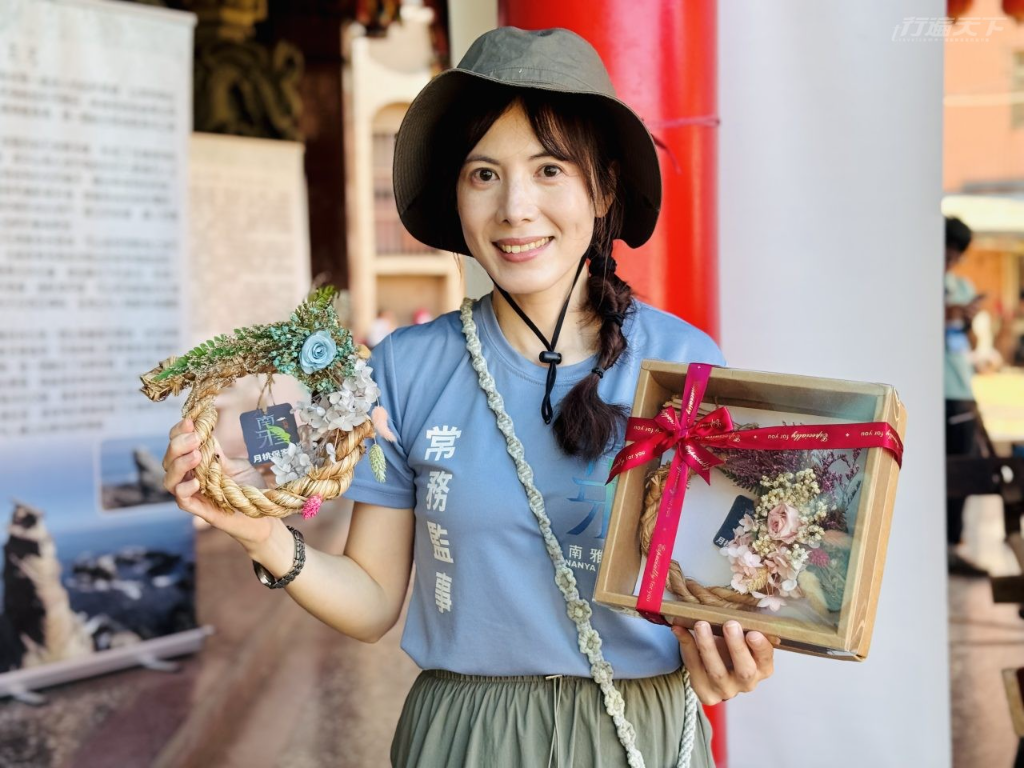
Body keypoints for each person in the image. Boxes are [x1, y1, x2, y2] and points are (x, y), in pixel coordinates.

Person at [162, 27, 774, 767]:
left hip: (634, 732)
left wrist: (734, 653)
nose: (515, 207)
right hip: (464, 737)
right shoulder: (405, 368)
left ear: (604, 188)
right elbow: (371, 599)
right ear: (456, 195)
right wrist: (263, 536)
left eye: (549, 170)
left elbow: (727, 589)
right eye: (484, 174)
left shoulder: (684, 365)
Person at [944, 216, 987, 576]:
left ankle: (952, 545)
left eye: (957, 254)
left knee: (963, 468)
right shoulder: (920, 282)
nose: (951, 259)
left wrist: (967, 319)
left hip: (959, 387)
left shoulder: (962, 286)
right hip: (933, 389)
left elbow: (971, 344)